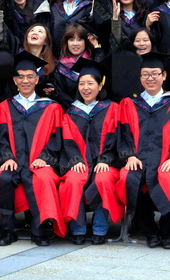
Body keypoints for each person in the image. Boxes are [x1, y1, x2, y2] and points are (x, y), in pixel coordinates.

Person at [116, 52, 170, 249]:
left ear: (164, 76)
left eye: (155, 74)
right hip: (138, 159)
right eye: (145, 74)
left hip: (168, 159)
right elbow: (123, 134)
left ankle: (167, 230)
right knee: (130, 177)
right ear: (140, 77)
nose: (150, 78)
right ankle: (149, 230)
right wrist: (129, 155)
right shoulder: (129, 103)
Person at [0, 51, 71, 246]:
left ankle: (39, 232)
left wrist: (44, 158)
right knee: (4, 178)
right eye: (21, 77)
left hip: (38, 161)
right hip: (14, 161)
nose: (25, 81)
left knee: (39, 178)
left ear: (37, 79)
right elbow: (0, 137)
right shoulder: (4, 107)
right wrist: (7, 157)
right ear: (14, 80)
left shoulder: (51, 107)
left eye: (30, 76)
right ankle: (7, 231)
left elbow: (56, 139)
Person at [62, 58, 117, 245]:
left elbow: (118, 139)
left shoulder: (112, 109)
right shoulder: (71, 112)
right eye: (81, 83)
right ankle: (77, 227)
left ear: (100, 86)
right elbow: (67, 140)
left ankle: (100, 227)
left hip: (106, 162)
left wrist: (106, 159)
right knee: (73, 179)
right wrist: (75, 160)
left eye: (90, 83)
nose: (85, 88)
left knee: (103, 178)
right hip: (79, 162)